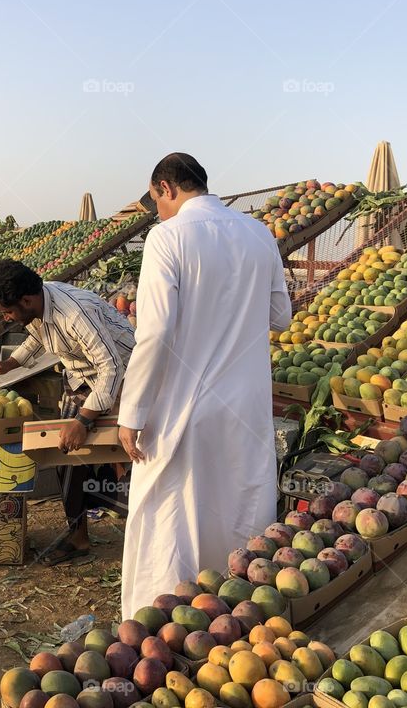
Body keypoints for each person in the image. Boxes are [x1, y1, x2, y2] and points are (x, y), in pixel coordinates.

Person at [116, 153, 292, 619]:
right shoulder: (259, 235)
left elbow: (154, 333)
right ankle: (240, 619)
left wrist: (131, 414)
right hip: (246, 407)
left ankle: (164, 624)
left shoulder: (167, 237)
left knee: (174, 518)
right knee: (240, 511)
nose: (158, 211)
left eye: (156, 201)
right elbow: (280, 316)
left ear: (165, 189)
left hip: (184, 408)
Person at [0, 259, 135, 564]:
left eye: (7, 311)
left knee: (125, 457)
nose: (7, 318)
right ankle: (78, 537)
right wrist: (9, 364)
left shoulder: (75, 313)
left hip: (127, 377)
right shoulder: (37, 307)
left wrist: (84, 420)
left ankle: (138, 536)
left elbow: (111, 368)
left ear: (27, 300)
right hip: (83, 378)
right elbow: (38, 336)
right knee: (66, 455)